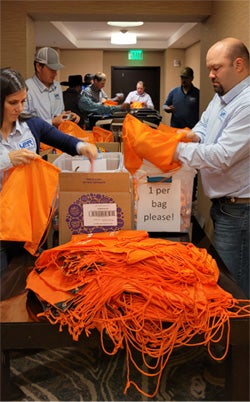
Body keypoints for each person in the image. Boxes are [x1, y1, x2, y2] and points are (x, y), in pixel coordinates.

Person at [0, 68, 98, 276]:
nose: (19, 108)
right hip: (2, 221)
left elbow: (61, 139)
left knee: (26, 273)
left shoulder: (31, 125)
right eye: (12, 103)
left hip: (30, 213)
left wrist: (82, 147)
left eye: (23, 101)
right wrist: (7, 160)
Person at [175, 37, 250, 298]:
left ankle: (239, 336)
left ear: (238, 65)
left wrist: (173, 150)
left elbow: (223, 155)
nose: (210, 74)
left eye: (216, 68)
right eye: (209, 68)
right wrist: (187, 138)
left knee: (233, 285)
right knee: (227, 276)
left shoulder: (247, 104)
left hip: (241, 211)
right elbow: (203, 127)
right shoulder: (222, 97)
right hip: (224, 205)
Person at [163, 67, 200, 202]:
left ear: (192, 78)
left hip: (191, 134)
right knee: (177, 162)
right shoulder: (174, 92)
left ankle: (192, 193)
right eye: (182, 78)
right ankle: (176, 190)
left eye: (186, 78)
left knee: (191, 164)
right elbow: (164, 105)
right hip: (176, 132)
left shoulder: (197, 94)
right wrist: (168, 109)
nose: (183, 80)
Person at [24, 47, 80, 127]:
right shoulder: (26, 89)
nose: (55, 73)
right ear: (38, 67)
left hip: (58, 135)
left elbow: (60, 112)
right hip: (38, 138)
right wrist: (52, 122)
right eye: (51, 69)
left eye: (56, 70)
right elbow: (23, 124)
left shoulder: (57, 86)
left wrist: (68, 116)